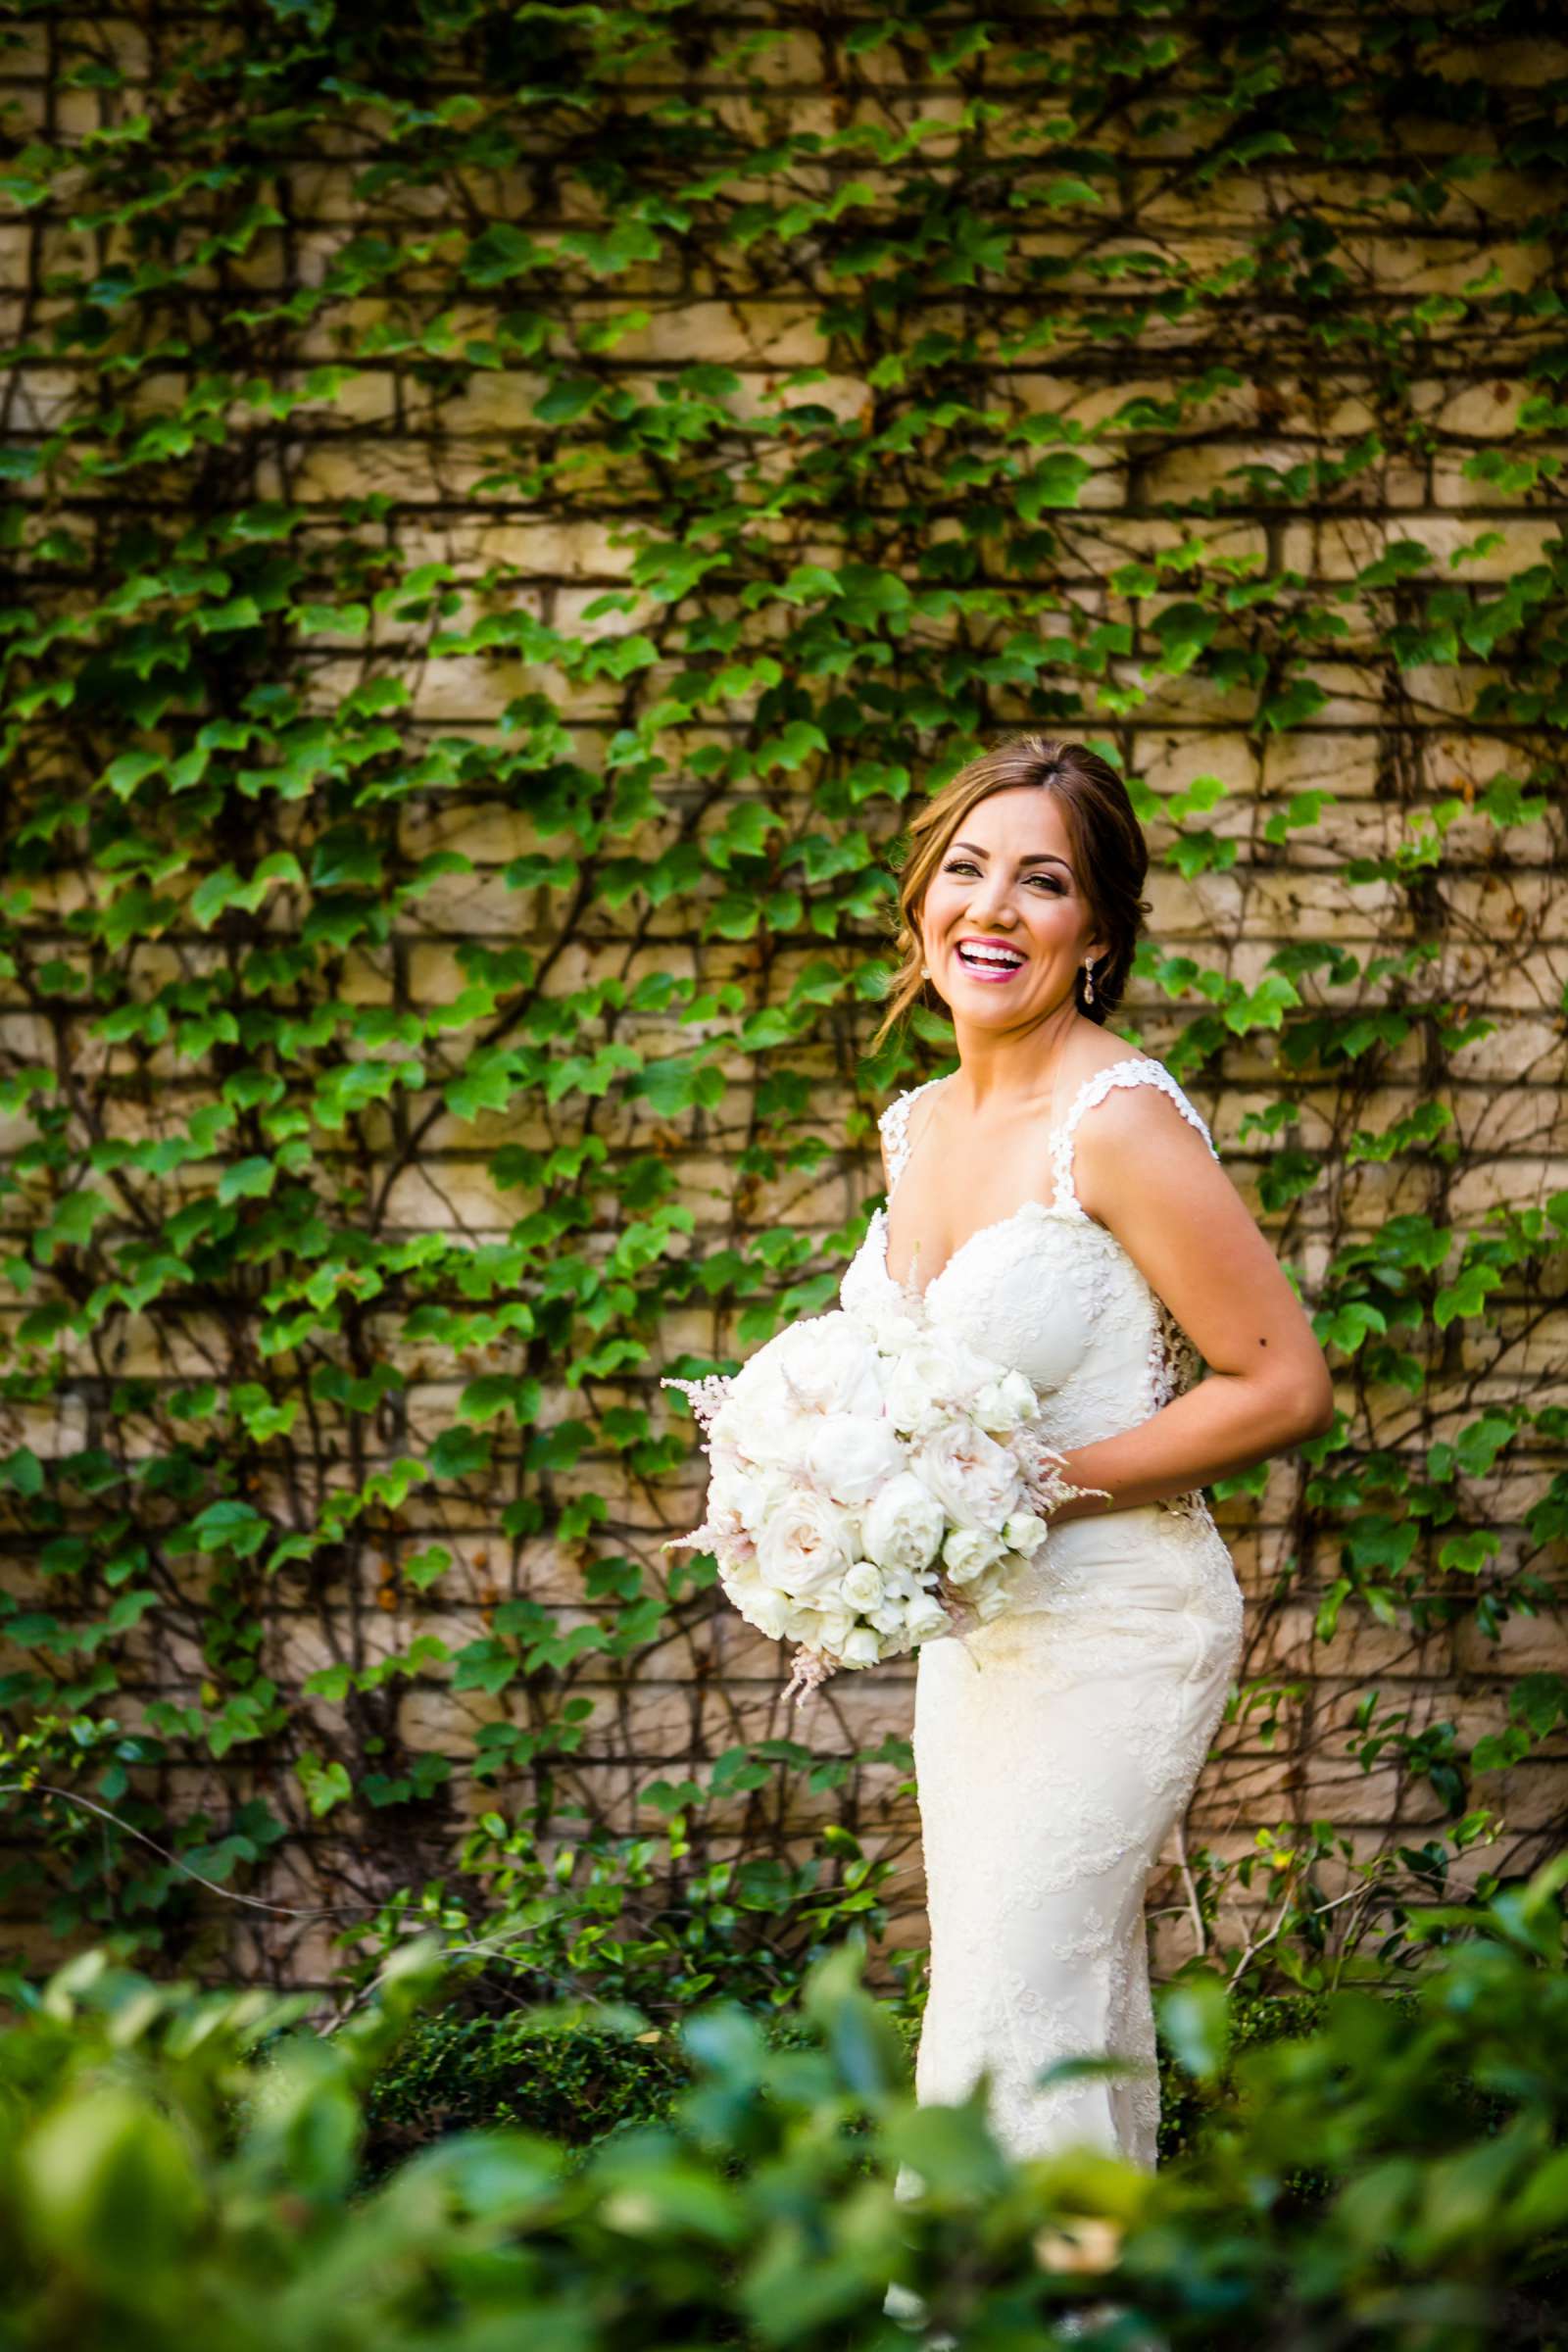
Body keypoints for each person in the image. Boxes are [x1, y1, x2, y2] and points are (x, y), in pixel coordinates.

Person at [841, 733, 1335, 2183]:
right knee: (1049, 2001)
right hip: (979, 1643)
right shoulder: (916, 1124)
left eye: (1041, 882)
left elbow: (1283, 1383)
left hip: (1120, 1619)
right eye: (966, 871)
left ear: (1095, 933)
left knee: (1008, 2009)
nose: (992, 909)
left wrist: (1025, 1494)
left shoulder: (1115, 1122)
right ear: (923, 901)